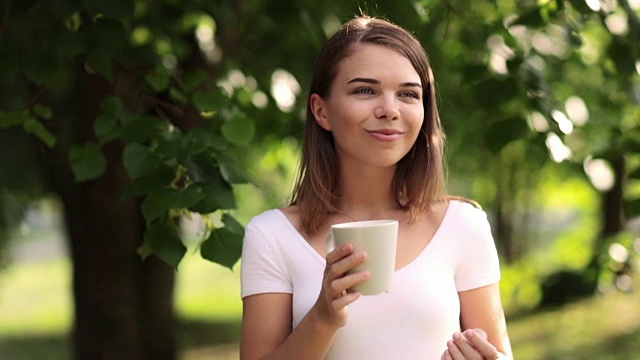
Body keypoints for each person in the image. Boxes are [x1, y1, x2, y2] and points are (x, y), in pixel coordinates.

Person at [240, 15, 513, 360]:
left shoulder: (462, 226)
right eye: (365, 90)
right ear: (320, 111)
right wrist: (323, 316)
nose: (389, 110)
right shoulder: (272, 236)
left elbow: (499, 354)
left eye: (408, 94)